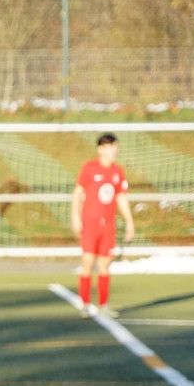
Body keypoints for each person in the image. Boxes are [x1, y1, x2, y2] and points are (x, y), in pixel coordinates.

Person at [71, 132, 136, 318]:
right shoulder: (90, 168)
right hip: (90, 223)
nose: (114, 150)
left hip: (108, 224)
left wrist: (129, 221)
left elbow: (121, 197)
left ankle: (104, 305)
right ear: (101, 149)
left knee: (105, 264)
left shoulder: (118, 171)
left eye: (115, 146)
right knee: (87, 262)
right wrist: (75, 216)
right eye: (110, 147)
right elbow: (78, 192)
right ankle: (85, 305)